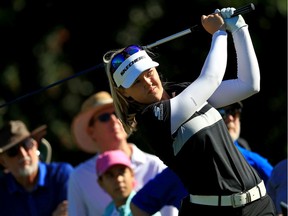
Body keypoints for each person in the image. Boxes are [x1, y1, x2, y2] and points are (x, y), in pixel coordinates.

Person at [103, 6, 276, 215]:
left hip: (260, 204)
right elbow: (210, 78)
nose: (148, 82)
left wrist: (239, 28)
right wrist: (219, 33)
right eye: (136, 82)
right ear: (125, 94)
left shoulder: (182, 92)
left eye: (148, 72)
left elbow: (248, 84)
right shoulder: (152, 120)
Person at [67, 91, 178, 216]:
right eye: (104, 117)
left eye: (117, 113)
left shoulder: (156, 164)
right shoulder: (79, 176)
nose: (114, 120)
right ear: (91, 131)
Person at [0, 120, 74, 216]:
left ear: (35, 145)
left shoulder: (62, 174)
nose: (23, 154)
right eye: (12, 151)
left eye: (26, 144)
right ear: (3, 161)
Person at [218, 101, 274, 184]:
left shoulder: (254, 161)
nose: (230, 118)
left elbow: (280, 184)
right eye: (222, 113)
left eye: (234, 112)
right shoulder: (196, 157)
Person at [96, 149, 161, 216]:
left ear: (132, 174)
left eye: (122, 172)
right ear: (101, 183)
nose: (119, 179)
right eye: (110, 175)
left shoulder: (146, 208)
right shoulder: (108, 212)